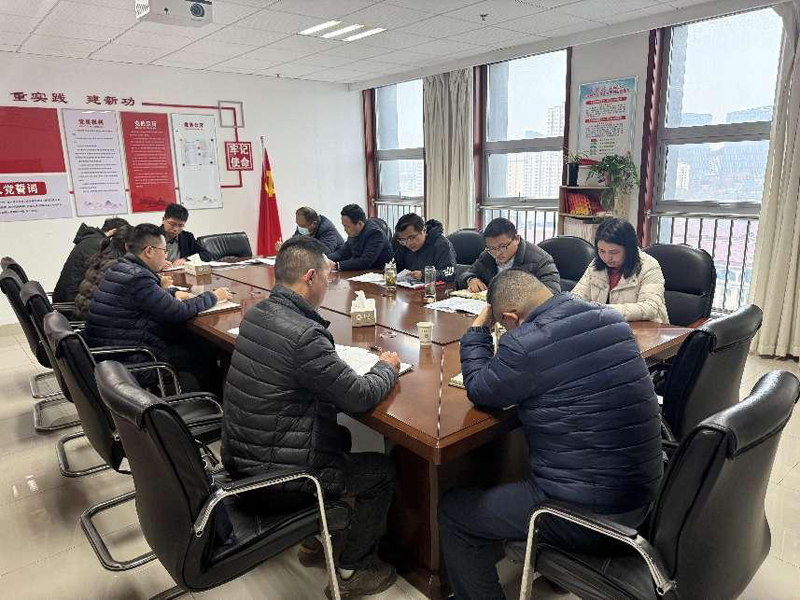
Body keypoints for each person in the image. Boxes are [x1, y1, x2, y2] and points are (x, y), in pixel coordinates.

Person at [440, 269, 663, 599]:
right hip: (646, 496)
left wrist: (477, 332)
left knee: (453, 511)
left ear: (511, 317)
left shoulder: (525, 344)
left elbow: (480, 388)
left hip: (591, 516)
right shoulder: (611, 319)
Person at [222, 236, 401, 597]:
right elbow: (359, 396)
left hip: (242, 460)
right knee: (381, 472)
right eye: (326, 275)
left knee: (342, 437)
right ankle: (353, 569)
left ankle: (312, 538)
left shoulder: (257, 312)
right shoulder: (303, 334)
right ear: (309, 277)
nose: (327, 283)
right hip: (279, 479)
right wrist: (387, 367)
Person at [85, 223, 232, 392]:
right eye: (164, 250)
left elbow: (146, 297)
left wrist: (173, 292)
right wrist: (214, 296)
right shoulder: (139, 277)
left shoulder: (120, 267)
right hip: (132, 358)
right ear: (149, 251)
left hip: (110, 351)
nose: (166, 256)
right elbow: (179, 311)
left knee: (191, 339)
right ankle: (214, 401)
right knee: (203, 350)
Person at [572, 218, 669, 323]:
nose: (607, 258)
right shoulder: (597, 263)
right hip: (608, 325)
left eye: (613, 252)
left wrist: (603, 310)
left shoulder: (649, 266)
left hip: (646, 328)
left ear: (629, 249)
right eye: (602, 251)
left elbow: (650, 308)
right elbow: (577, 296)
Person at [456, 218, 560, 294]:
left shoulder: (540, 259)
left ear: (517, 239)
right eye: (492, 248)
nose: (497, 253)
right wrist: (470, 279)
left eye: (503, 246)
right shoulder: (488, 255)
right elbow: (466, 274)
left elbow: (552, 293)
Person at [52, 217, 130, 303]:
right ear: (114, 232)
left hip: (69, 296)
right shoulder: (97, 245)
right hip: (73, 301)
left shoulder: (90, 240)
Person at [73, 226, 131, 320]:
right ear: (127, 245)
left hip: (84, 315)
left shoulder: (101, 257)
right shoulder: (116, 266)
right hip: (93, 321)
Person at [391, 213, 456, 282]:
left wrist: (425, 275)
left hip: (435, 287)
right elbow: (398, 267)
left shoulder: (441, 244)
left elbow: (450, 273)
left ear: (424, 230)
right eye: (403, 239)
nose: (408, 243)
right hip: (408, 286)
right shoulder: (403, 244)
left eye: (412, 237)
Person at [327, 204, 393, 271]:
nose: (345, 229)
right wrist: (325, 259)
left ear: (360, 224)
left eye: (348, 227)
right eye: (344, 226)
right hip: (362, 272)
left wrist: (336, 266)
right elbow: (342, 253)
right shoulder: (354, 232)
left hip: (379, 273)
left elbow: (365, 261)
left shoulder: (375, 233)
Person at [276, 206, 345, 255]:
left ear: (314, 223)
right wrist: (284, 247)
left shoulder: (326, 228)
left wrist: (301, 248)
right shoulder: (302, 225)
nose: (300, 229)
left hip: (337, 261)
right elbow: (294, 241)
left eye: (303, 226)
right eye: (298, 225)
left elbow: (325, 252)